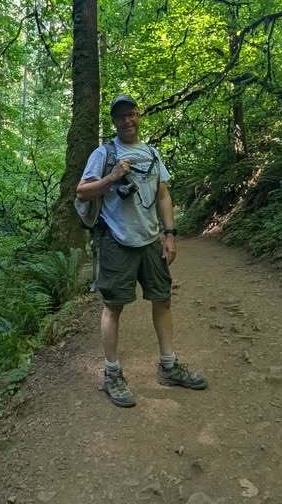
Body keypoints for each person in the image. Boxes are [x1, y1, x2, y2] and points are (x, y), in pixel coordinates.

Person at [76, 94, 207, 407]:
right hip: (115, 241)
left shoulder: (151, 153)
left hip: (150, 241)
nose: (127, 121)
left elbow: (163, 195)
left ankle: (169, 366)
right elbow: (81, 192)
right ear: (114, 122)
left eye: (132, 114)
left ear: (139, 116)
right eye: (121, 116)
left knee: (162, 300)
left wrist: (170, 235)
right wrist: (112, 177)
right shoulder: (103, 154)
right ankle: (112, 375)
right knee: (114, 306)